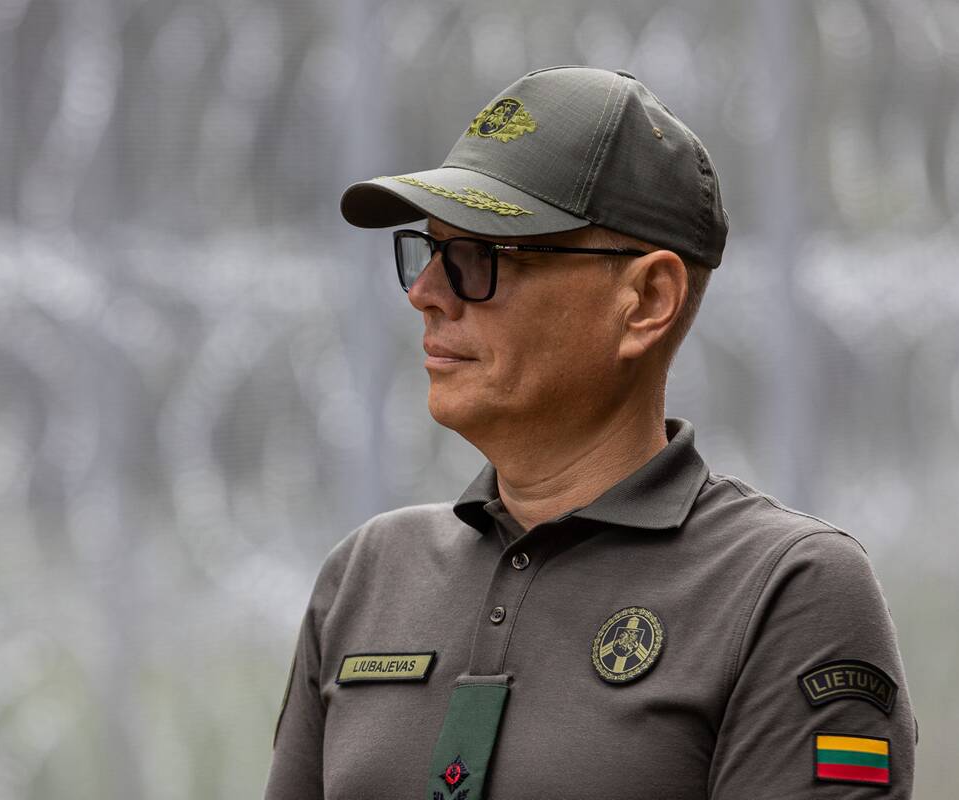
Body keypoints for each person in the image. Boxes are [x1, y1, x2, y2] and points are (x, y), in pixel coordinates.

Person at [263, 66, 915, 799]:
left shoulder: (782, 589)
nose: (425, 293)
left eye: (480, 257)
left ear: (647, 300)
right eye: (428, 251)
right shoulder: (368, 575)